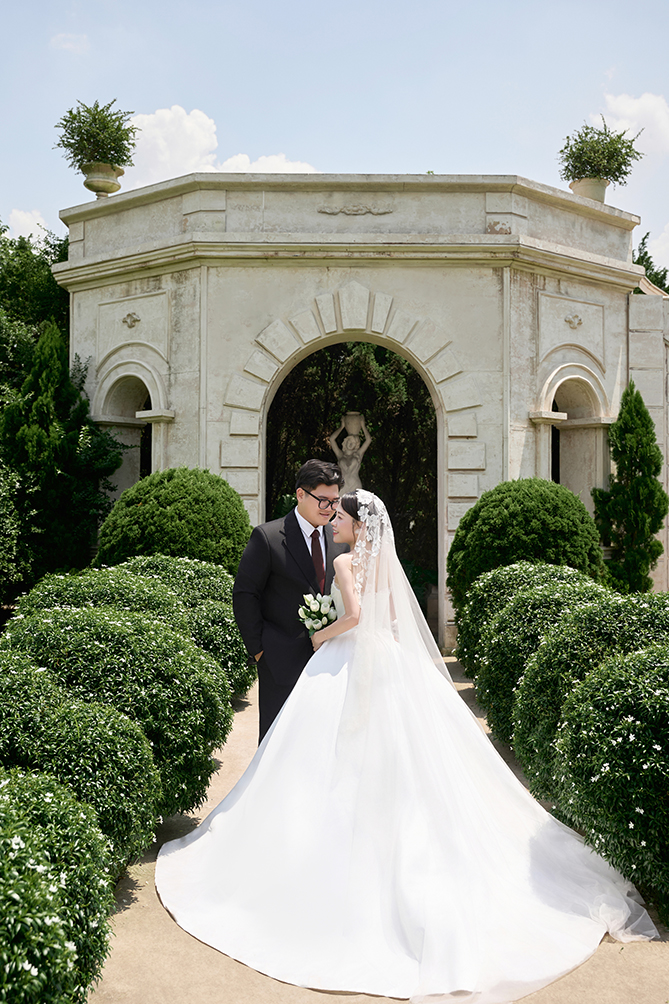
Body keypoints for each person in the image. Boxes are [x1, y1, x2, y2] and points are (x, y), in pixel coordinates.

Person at [157, 490, 657, 1004]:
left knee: (334, 750)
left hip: (345, 655)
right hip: (388, 658)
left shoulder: (347, 562)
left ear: (358, 526)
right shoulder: (386, 565)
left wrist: (319, 637)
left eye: (341, 517)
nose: (333, 523)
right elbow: (391, 620)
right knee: (396, 754)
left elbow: (354, 617)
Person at [233, 459, 348, 741]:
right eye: (323, 500)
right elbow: (245, 594)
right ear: (300, 494)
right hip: (279, 662)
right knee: (277, 745)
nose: (330, 508)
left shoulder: (339, 539)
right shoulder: (268, 536)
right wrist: (259, 651)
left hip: (331, 663)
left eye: (334, 502)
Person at [328, 414, 372, 492]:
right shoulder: (340, 455)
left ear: (356, 445)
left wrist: (363, 425)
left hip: (355, 484)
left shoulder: (358, 454)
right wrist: (342, 426)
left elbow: (368, 440)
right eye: (350, 441)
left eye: (354, 443)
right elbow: (331, 439)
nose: (351, 444)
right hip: (342, 485)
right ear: (345, 441)